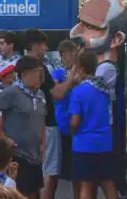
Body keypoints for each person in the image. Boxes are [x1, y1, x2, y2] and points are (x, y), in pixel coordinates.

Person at [0, 56, 47, 199]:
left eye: (40, 73)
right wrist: (3, 138)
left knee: (35, 193)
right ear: (24, 74)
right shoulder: (11, 92)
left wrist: (44, 144)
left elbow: (41, 120)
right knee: (20, 193)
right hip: (18, 154)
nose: (39, 77)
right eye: (36, 73)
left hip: (35, 155)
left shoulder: (40, 94)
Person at [70, 50, 118, 199]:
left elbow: (75, 121)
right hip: (105, 142)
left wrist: (72, 131)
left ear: (81, 69)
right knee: (108, 182)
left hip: (84, 144)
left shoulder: (78, 92)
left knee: (87, 184)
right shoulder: (104, 89)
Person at [25, 29, 59, 199]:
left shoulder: (21, 64)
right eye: (44, 44)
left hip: (30, 126)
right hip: (46, 125)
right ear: (35, 45)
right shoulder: (39, 67)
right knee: (48, 173)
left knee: (35, 173)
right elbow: (57, 93)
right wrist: (73, 80)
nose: (46, 48)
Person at [51, 40, 79, 194]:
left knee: (78, 171)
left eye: (75, 52)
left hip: (79, 123)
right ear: (62, 55)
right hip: (63, 123)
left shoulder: (81, 71)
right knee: (62, 168)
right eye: (70, 53)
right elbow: (56, 92)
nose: (73, 55)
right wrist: (70, 81)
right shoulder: (58, 72)